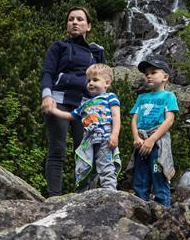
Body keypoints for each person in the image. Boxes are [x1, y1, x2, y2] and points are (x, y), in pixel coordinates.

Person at [41, 6, 106, 196]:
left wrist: (102, 107)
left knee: (85, 152)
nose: (75, 22)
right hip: (58, 102)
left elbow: (103, 81)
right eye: (71, 19)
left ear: (89, 26)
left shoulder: (97, 52)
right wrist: (46, 95)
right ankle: (53, 197)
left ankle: (82, 197)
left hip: (86, 105)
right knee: (57, 149)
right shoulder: (59, 47)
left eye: (80, 19)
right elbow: (47, 73)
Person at [43, 63, 121, 190]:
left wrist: (115, 134)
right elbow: (70, 116)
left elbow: (116, 116)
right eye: (88, 80)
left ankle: (110, 193)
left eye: (95, 80)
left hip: (105, 139)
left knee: (106, 166)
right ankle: (82, 194)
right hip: (88, 142)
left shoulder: (110, 97)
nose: (90, 83)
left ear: (107, 83)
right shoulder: (85, 104)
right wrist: (53, 110)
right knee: (84, 167)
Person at [130, 57, 179, 207]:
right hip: (141, 142)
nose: (149, 76)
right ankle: (141, 211)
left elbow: (169, 120)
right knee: (140, 179)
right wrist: (136, 137)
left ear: (165, 77)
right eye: (146, 74)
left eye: (153, 72)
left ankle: (164, 213)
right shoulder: (141, 97)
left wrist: (152, 139)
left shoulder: (169, 96)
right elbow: (134, 119)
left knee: (159, 176)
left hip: (158, 143)